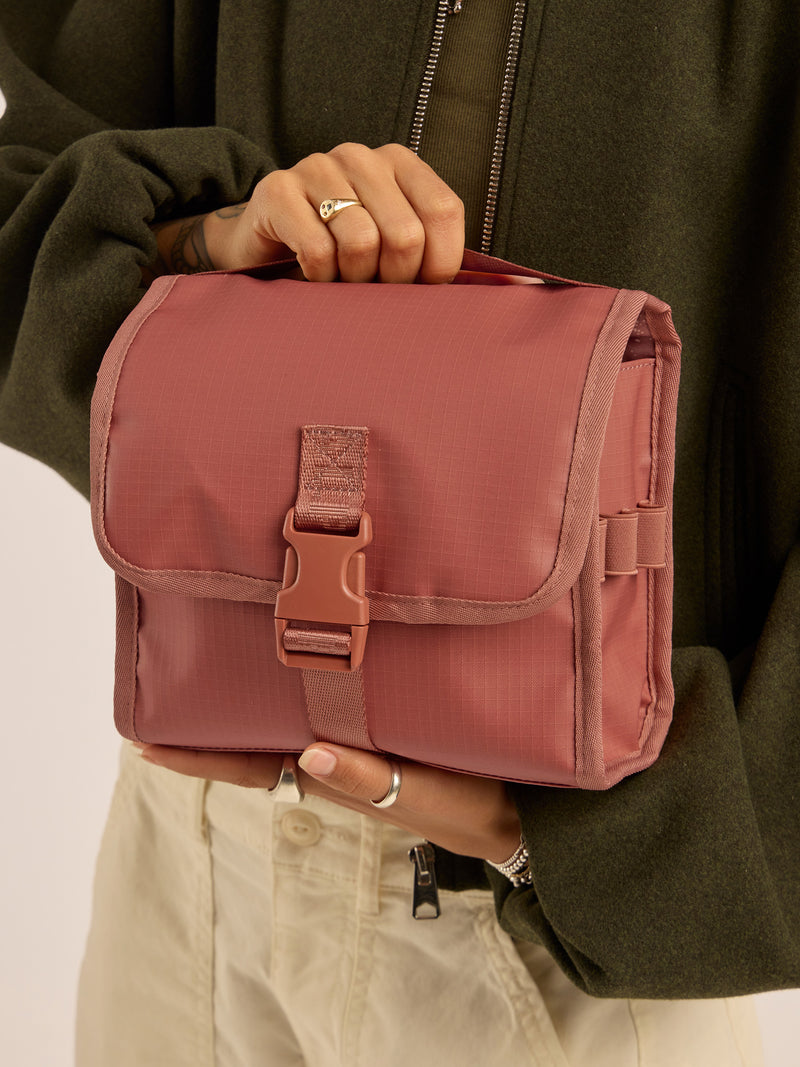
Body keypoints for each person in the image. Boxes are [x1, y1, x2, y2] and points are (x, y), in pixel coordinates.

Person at [1, 1, 797, 1064]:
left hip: (570, 935)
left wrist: (611, 842)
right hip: (192, 864)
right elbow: (27, 202)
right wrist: (198, 239)